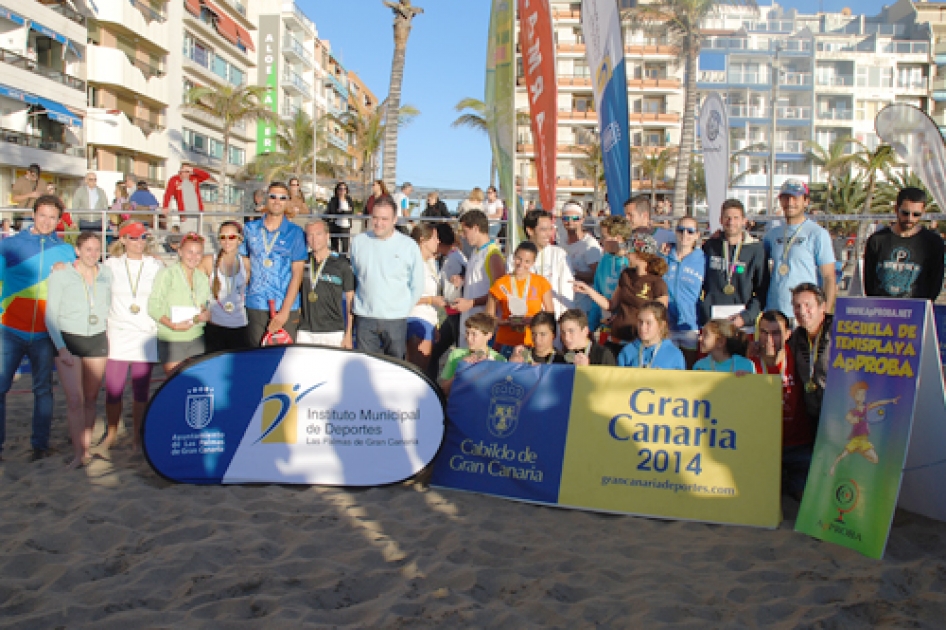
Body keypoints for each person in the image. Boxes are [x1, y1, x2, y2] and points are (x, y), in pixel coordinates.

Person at [0, 195, 76, 461]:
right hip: (10, 330)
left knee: (43, 389)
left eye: (52, 217)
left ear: (58, 220)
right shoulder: (9, 245)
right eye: (42, 215)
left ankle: (40, 446)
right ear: (33, 215)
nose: (46, 221)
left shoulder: (66, 250)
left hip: (46, 333)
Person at [45, 232, 112, 468]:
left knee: (91, 399)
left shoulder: (106, 274)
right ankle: (78, 454)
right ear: (77, 251)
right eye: (88, 250)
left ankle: (85, 446)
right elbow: (50, 315)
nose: (93, 254)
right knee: (75, 399)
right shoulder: (61, 274)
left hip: (96, 339)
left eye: (96, 249)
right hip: (69, 341)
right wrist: (61, 348)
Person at [102, 221, 163, 452]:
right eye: (134, 238)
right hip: (118, 332)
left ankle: (137, 437)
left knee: (141, 390)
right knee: (114, 389)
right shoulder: (111, 265)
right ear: (123, 240)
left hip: (145, 333)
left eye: (143, 237)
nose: (139, 243)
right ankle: (111, 433)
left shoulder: (156, 265)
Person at [350, 196, 425, 359]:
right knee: (366, 367)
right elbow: (356, 275)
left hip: (395, 320)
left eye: (384, 219)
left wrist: (403, 309)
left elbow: (417, 284)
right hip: (365, 318)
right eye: (375, 217)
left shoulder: (409, 246)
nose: (378, 223)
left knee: (395, 369)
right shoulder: (358, 242)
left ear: (395, 220)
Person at [751, 309, 814, 499]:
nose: (769, 340)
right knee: (761, 496)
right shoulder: (748, 362)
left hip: (798, 445)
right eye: (764, 332)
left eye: (776, 333)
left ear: (788, 335)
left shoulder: (800, 358)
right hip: (763, 448)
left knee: (803, 496)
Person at [574, 233, 669, 349]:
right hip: (617, 338)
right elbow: (611, 305)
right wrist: (588, 290)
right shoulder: (626, 274)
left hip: (639, 344)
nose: (627, 254)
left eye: (630, 251)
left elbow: (659, 317)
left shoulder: (657, 283)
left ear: (640, 255)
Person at [240, 182, 307, 345]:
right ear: (266, 199)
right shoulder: (250, 229)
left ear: (287, 202)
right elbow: (244, 268)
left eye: (282, 198)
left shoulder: (295, 232)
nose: (277, 201)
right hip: (256, 303)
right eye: (273, 196)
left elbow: (297, 274)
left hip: (285, 306)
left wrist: (284, 312)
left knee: (284, 360)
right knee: (257, 359)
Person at [764, 180, 836, 319]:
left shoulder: (817, 233)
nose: (790, 202)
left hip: (804, 313)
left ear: (806, 201)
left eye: (795, 198)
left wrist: (825, 314)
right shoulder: (772, 234)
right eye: (786, 198)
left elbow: (829, 277)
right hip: (775, 311)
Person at [864, 186, 945, 300]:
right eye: (905, 213)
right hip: (882, 310)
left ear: (923, 212)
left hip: (916, 310)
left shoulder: (933, 243)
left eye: (916, 214)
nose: (910, 218)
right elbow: (869, 280)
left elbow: (935, 281)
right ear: (896, 209)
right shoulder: (877, 240)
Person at [148, 232, 212, 374]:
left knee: (192, 385)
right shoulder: (167, 274)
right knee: (175, 383)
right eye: (190, 252)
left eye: (198, 253)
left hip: (196, 336)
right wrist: (173, 325)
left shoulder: (201, 277)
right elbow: (153, 306)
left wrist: (206, 313)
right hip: (172, 337)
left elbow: (203, 304)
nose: (194, 257)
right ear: (180, 252)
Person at [700, 199, 768, 331]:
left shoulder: (756, 250)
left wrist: (746, 317)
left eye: (736, 218)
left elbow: (762, 291)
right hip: (713, 323)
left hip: (742, 324)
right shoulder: (710, 246)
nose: (731, 222)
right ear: (720, 220)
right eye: (727, 217)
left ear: (744, 220)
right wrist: (705, 311)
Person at [486, 241, 554, 357]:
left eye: (527, 261)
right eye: (519, 258)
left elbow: (550, 315)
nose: (521, 264)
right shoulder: (501, 283)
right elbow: (488, 317)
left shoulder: (541, 282)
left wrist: (533, 321)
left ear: (533, 263)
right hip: (506, 342)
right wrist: (506, 322)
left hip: (534, 343)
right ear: (513, 257)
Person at [297, 220, 354, 348]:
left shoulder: (341, 264)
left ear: (327, 236)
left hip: (333, 331)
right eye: (310, 235)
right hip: (305, 331)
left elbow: (351, 300)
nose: (314, 239)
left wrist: (349, 333)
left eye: (318, 234)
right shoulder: (302, 261)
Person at [453, 210, 505, 347]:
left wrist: (471, 303)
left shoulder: (493, 255)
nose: (463, 236)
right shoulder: (477, 252)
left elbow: (500, 293)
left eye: (465, 231)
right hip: (471, 324)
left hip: (483, 328)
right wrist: (462, 279)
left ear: (476, 228)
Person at [828, 382, 900, 476]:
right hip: (855, 439)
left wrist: (891, 401)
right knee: (843, 455)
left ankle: (859, 451)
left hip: (864, 440)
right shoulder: (852, 411)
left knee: (875, 460)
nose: (862, 396)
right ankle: (833, 467)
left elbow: (878, 403)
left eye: (863, 394)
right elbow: (848, 418)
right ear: (854, 396)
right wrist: (853, 420)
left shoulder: (867, 407)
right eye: (859, 394)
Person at [787, 282, 833, 430]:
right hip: (811, 416)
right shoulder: (795, 338)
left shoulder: (840, 333)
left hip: (837, 415)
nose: (802, 311)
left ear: (823, 307)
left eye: (808, 305)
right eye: (797, 306)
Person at [199, 221, 249, 353]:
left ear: (239, 239)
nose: (227, 241)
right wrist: (203, 309)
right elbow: (194, 290)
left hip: (240, 326)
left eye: (231, 237)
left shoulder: (246, 263)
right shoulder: (209, 261)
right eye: (223, 237)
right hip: (215, 326)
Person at [427, 224, 466, 379]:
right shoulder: (456, 255)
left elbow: (454, 289)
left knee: (457, 354)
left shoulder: (452, 260)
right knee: (436, 351)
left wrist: (444, 299)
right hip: (452, 314)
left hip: (455, 313)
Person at [664, 216, 704, 365]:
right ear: (675, 232)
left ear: (697, 235)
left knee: (689, 367)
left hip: (690, 324)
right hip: (667, 324)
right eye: (681, 230)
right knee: (668, 368)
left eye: (690, 231)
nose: (685, 235)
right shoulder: (664, 256)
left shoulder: (702, 259)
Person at [407, 223, 445, 371]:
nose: (438, 241)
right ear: (422, 240)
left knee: (423, 370)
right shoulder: (411, 263)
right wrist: (431, 300)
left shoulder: (430, 262)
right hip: (416, 320)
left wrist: (434, 324)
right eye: (435, 238)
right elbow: (404, 297)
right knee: (417, 370)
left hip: (428, 320)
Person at [438, 312, 505, 396]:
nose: (469, 338)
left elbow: (500, 395)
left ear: (488, 335)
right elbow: (444, 390)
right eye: (467, 333)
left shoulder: (499, 359)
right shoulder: (456, 355)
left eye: (474, 334)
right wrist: (461, 369)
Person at [523, 209, 574, 316]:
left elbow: (566, 291)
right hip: (527, 320)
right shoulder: (515, 258)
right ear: (530, 231)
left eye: (550, 229)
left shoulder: (560, 255)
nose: (549, 234)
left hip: (553, 320)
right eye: (543, 230)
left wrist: (565, 321)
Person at [590, 216, 632, 332]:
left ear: (618, 238)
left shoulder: (631, 262)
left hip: (627, 328)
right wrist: (591, 326)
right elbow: (597, 293)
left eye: (604, 237)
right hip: (606, 327)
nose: (601, 241)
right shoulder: (604, 260)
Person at [616, 301, 686, 369]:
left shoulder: (674, 354)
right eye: (640, 322)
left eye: (648, 323)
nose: (642, 327)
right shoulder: (627, 351)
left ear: (661, 325)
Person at [561, 201, 602, 316]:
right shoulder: (562, 241)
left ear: (582, 220)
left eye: (575, 218)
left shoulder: (589, 245)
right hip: (566, 302)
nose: (570, 222)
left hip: (585, 305)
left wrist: (571, 274)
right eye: (566, 218)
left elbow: (597, 277)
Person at [326, 181, 355, 255]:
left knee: (345, 246)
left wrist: (342, 211)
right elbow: (333, 211)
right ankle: (335, 262)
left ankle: (344, 262)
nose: (342, 191)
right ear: (337, 190)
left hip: (346, 226)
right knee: (335, 247)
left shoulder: (348, 199)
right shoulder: (334, 200)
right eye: (340, 189)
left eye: (344, 189)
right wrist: (345, 212)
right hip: (335, 225)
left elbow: (351, 212)